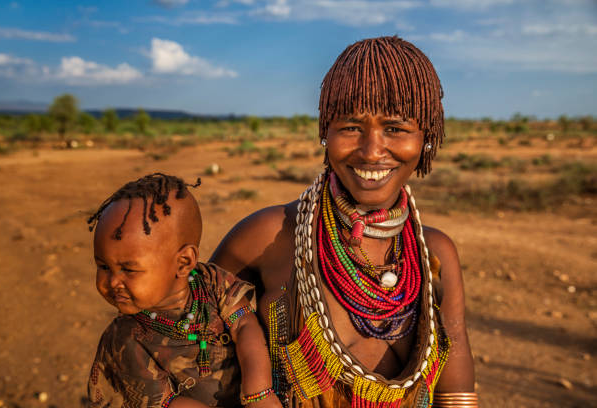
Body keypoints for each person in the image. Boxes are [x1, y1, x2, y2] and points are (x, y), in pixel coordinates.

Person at [211, 37, 477, 408]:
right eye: (350, 127)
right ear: (325, 132)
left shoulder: (436, 254)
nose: (371, 151)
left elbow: (454, 377)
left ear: (426, 137)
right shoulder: (268, 236)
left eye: (396, 128)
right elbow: (190, 337)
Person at [86, 173, 282, 408]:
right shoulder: (124, 340)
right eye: (104, 266)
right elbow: (168, 403)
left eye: (128, 269)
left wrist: (259, 393)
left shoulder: (211, 282)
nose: (113, 281)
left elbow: (244, 324)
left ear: (183, 262)